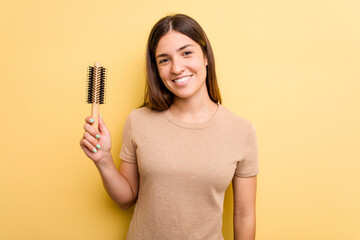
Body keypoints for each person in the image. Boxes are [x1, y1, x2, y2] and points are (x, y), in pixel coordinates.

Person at [80, 14, 259, 240]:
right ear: (156, 68)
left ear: (205, 56)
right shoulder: (138, 121)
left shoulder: (241, 131)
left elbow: (244, 215)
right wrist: (103, 159)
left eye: (186, 53)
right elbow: (126, 199)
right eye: (164, 59)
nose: (176, 68)